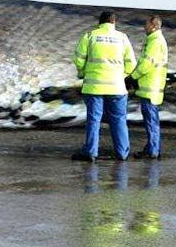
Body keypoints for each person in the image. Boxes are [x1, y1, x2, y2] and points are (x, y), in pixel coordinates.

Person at [72, 11, 137, 161]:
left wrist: (83, 72)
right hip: (117, 87)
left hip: (94, 87)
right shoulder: (122, 38)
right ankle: (122, 153)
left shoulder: (90, 36)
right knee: (119, 119)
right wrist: (121, 76)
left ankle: (91, 153)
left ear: (99, 23)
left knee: (94, 120)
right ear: (114, 23)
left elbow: (78, 59)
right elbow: (132, 63)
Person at [129, 15, 168, 159]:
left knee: (151, 121)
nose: (144, 27)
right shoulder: (155, 40)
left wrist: (133, 76)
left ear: (153, 25)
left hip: (150, 88)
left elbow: (146, 64)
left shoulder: (155, 42)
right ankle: (152, 147)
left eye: (146, 24)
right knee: (152, 120)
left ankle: (152, 150)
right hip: (152, 87)